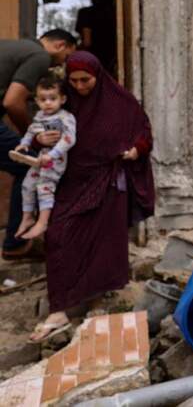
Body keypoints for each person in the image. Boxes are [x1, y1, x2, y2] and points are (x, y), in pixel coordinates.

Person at [29, 51, 154, 342]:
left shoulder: (120, 102)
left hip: (108, 181)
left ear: (97, 76)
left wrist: (136, 150)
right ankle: (59, 308)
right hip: (71, 181)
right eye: (74, 81)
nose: (81, 86)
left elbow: (143, 131)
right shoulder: (65, 102)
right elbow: (40, 129)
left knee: (102, 245)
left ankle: (96, 302)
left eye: (85, 80)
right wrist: (40, 139)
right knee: (59, 234)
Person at [0, 29, 76, 259]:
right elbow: (13, 102)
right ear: (60, 45)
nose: (63, 64)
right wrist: (32, 138)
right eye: (67, 57)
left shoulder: (16, 47)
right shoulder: (39, 56)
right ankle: (16, 244)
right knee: (29, 163)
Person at [11, 77, 76, 240]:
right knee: (27, 183)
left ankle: (43, 221)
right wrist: (24, 144)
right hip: (41, 158)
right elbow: (32, 130)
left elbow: (69, 139)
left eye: (52, 99)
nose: (47, 103)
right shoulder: (40, 116)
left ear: (63, 99)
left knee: (44, 185)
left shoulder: (65, 117)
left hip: (56, 159)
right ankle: (27, 217)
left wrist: (52, 155)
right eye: (43, 99)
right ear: (36, 101)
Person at [75, 0, 117, 76]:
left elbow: (87, 42)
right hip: (113, 60)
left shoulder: (86, 13)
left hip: (93, 62)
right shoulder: (118, 14)